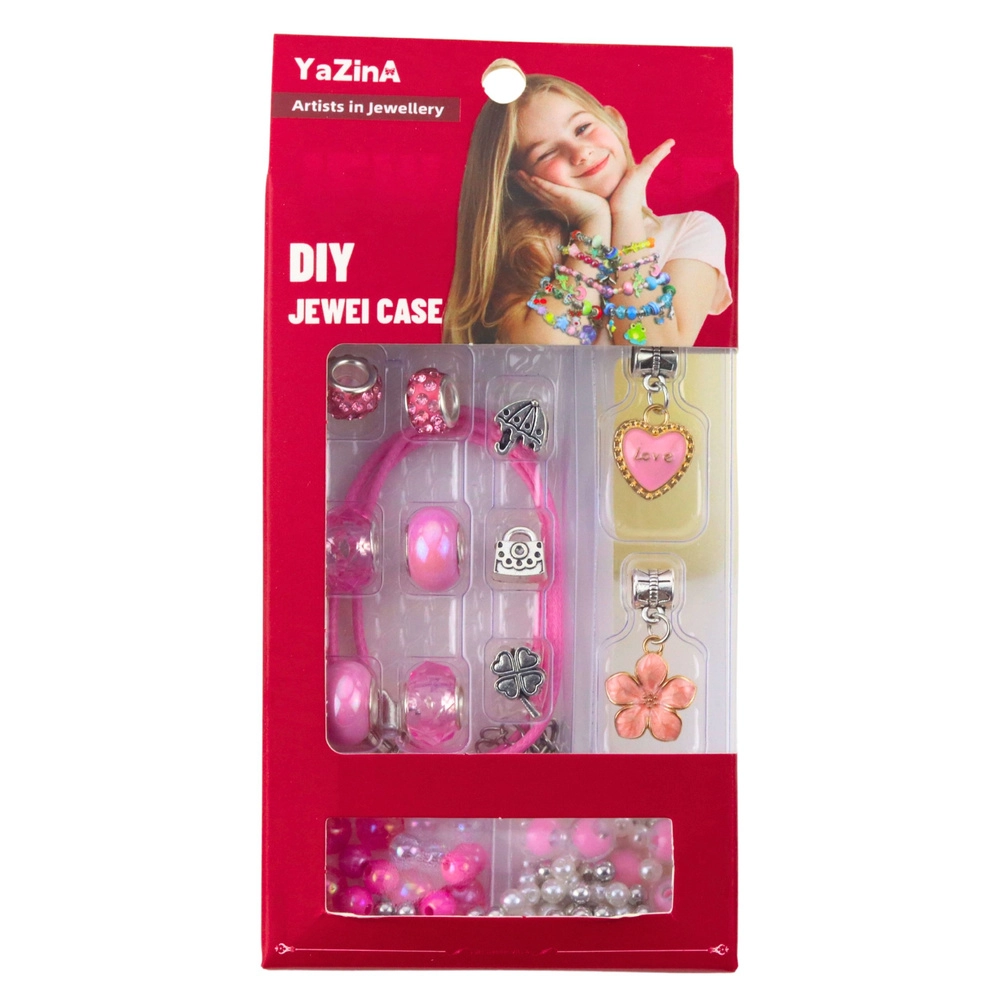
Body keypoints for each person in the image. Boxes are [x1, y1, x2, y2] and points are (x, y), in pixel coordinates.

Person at [443, 74, 731, 347]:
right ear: (522, 182)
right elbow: (548, 352)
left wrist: (626, 212)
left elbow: (654, 355)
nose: (580, 153)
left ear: (615, 121)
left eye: (582, 129)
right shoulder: (528, 249)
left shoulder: (691, 231)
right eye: (546, 153)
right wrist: (594, 223)